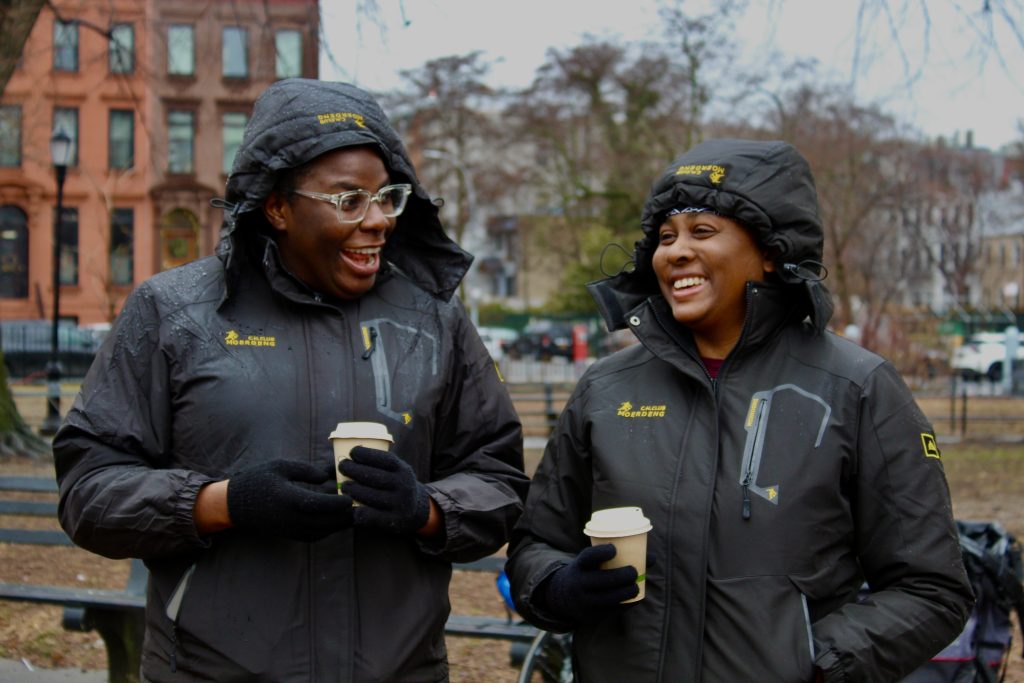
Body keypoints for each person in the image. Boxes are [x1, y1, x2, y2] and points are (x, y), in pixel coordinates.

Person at [53, 79, 529, 683]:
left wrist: (426, 509)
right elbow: (89, 491)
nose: (378, 220)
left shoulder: (433, 320)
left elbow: (499, 481)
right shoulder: (172, 312)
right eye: (349, 200)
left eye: (387, 197)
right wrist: (223, 504)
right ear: (277, 207)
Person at [505, 138, 973, 682]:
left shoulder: (858, 388)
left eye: (702, 231)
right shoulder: (605, 388)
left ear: (771, 251)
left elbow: (931, 587)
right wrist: (559, 586)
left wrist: (818, 664)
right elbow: (537, 544)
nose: (676, 252)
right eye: (665, 237)